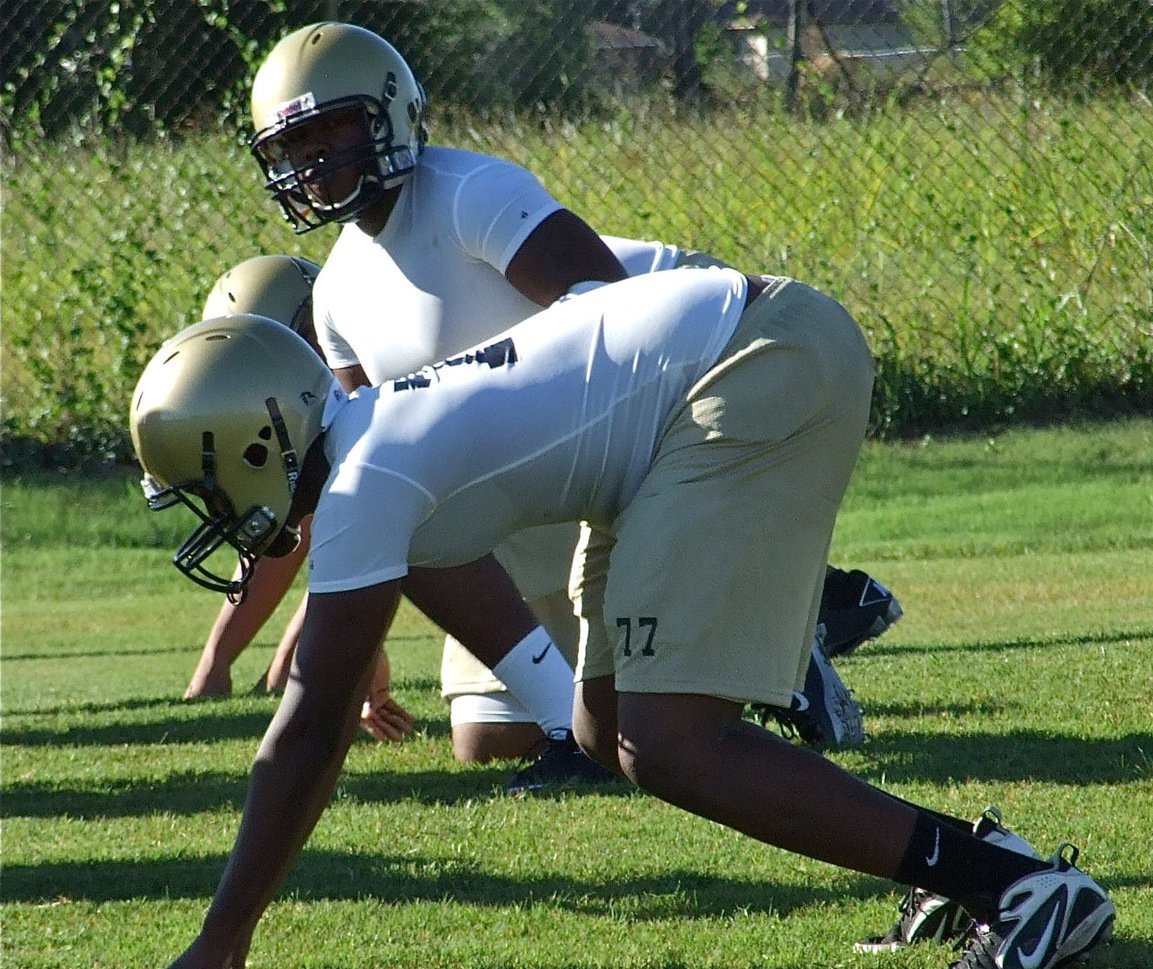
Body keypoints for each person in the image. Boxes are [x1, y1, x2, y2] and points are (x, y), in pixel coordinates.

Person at [132, 267, 1114, 969]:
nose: (208, 513)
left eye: (204, 483)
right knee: (607, 730)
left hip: (753, 359)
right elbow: (455, 594)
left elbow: (305, 732)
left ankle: (1019, 891)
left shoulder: (364, 479)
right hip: (716, 377)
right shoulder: (376, 449)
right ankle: (979, 865)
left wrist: (219, 941)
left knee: (670, 740)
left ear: (260, 441)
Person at [232, 21, 898, 788]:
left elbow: (618, 332)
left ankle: (742, 621)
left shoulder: (467, 192)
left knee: (621, 720)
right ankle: (741, 631)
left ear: (390, 113)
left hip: (669, 397)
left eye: (333, 129)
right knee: (483, 738)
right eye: (295, 146)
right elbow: (369, 475)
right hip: (539, 477)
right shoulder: (339, 292)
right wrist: (355, 636)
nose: (314, 160)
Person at [185, 254, 411, 742]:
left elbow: (367, 535)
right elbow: (283, 531)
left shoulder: (377, 374)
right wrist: (215, 664)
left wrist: (344, 661)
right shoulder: (308, 401)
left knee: (297, 674)